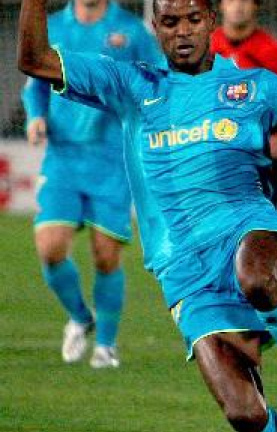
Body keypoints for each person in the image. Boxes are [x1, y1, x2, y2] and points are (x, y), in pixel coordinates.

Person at [17, 0, 277, 430]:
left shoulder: (253, 86)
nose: (183, 31)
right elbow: (34, 60)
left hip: (248, 230)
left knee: (255, 276)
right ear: (155, 27)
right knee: (246, 415)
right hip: (184, 269)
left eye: (193, 20)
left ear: (211, 21)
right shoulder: (132, 84)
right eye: (170, 22)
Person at [20, 0, 162, 368]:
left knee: (106, 253)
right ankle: (81, 317)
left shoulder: (131, 30)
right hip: (63, 157)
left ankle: (105, 346)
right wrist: (36, 117)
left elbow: (158, 80)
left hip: (113, 159)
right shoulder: (52, 26)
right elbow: (35, 82)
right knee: (50, 247)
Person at [210, 0, 277, 207]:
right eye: (231, 0)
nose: (238, 6)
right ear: (221, 5)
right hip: (214, 152)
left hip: (260, 155)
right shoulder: (206, 48)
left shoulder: (272, 50)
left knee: (262, 220)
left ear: (256, 6)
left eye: (245, 0)